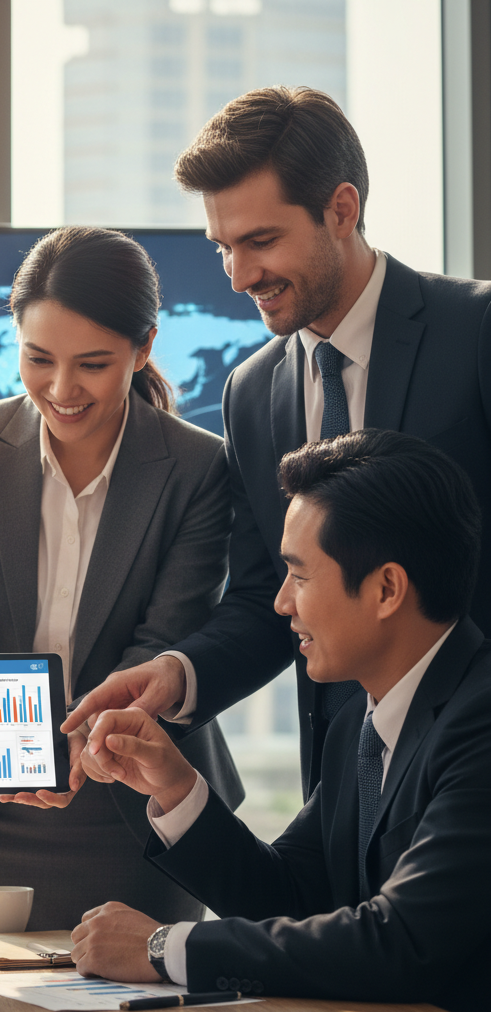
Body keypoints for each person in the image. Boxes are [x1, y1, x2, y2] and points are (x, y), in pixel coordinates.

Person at [64, 86, 491, 798]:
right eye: (224, 247)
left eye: (260, 241)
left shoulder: (474, 332)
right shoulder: (253, 392)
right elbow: (271, 594)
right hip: (342, 798)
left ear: (342, 210)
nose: (238, 276)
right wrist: (179, 674)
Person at [70, 429, 491, 1012]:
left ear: (386, 589)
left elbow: (403, 941)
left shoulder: (480, 722)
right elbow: (288, 897)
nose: (280, 604)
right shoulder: (358, 725)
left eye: (299, 575)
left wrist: (164, 947)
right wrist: (175, 788)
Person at [0, 226, 243, 930]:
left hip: (138, 796)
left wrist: (76, 744)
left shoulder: (197, 466)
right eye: (38, 359)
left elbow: (164, 640)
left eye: (92, 364)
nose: (61, 390)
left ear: (143, 346)